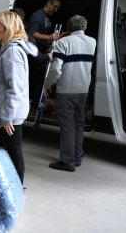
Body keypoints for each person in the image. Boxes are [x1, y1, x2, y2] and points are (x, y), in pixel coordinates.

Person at [0, 11, 40, 184]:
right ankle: (6, 187)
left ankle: (18, 189)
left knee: (12, 153)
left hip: (10, 114)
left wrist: (6, 117)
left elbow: (16, 89)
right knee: (3, 152)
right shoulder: (7, 49)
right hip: (4, 111)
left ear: (8, 29)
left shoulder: (12, 52)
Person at [45, 15, 96, 172]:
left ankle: (67, 161)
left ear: (68, 27)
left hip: (66, 90)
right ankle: (77, 158)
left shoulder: (63, 42)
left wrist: (47, 84)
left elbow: (55, 68)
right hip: (83, 89)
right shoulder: (92, 41)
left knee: (67, 126)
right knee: (78, 125)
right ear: (84, 27)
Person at [28, 0, 62, 109]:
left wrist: (54, 38)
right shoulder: (38, 15)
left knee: (41, 79)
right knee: (37, 79)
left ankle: (36, 103)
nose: (56, 10)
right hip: (36, 54)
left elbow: (45, 36)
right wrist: (48, 37)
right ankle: (34, 105)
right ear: (49, 3)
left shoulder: (47, 17)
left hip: (43, 52)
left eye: (58, 8)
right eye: (55, 6)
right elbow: (32, 33)